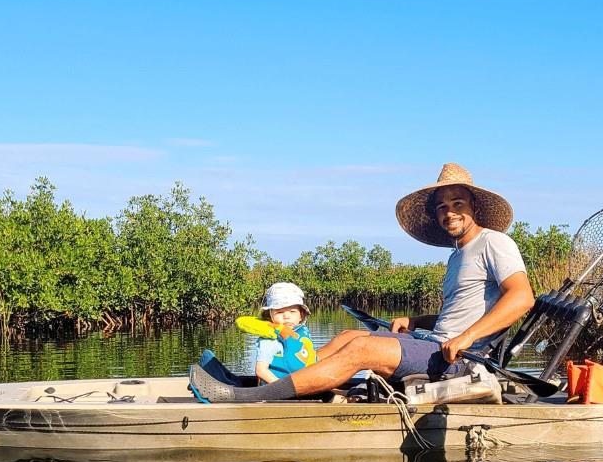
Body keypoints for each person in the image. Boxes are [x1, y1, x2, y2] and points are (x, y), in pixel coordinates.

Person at [189, 164, 534, 402]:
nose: (449, 212)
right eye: (442, 206)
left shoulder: (494, 242)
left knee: (361, 350)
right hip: (437, 343)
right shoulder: (459, 254)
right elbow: (459, 315)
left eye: (458, 203)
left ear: (474, 206)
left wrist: (467, 338)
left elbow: (522, 298)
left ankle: (246, 396)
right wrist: (416, 322)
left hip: (459, 360)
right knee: (349, 336)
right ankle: (265, 380)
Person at [248, 282, 315, 383]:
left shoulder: (301, 332)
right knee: (335, 398)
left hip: (305, 383)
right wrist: (286, 389)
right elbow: (261, 371)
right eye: (279, 312)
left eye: (292, 311)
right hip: (280, 391)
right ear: (270, 315)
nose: (286, 316)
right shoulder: (270, 340)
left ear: (301, 315)